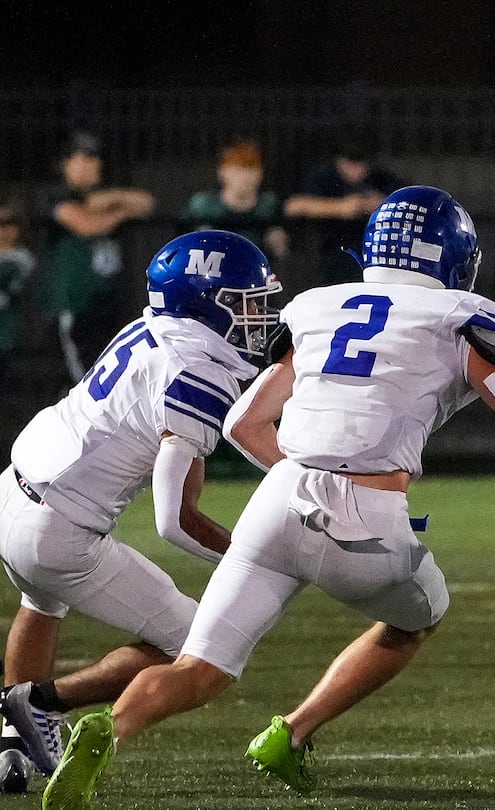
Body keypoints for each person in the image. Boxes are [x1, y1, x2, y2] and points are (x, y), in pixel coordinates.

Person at [43, 185, 495, 809]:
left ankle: (108, 728)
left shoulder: (320, 306)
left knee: (199, 669)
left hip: (278, 500)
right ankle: (294, 731)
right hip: (366, 521)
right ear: (453, 256)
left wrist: (309, 475)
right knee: (418, 617)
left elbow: (242, 425)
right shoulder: (457, 314)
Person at [0, 230, 280, 794]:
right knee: (189, 640)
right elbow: (174, 520)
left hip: (13, 490)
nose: (260, 316)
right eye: (246, 303)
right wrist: (253, 557)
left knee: (41, 602)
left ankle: (9, 743)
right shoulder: (198, 370)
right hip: (61, 530)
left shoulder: (151, 327)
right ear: (204, 302)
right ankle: (40, 703)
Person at [34, 132, 156, 383]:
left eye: (96, 158)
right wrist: (119, 213)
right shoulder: (53, 195)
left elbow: (146, 203)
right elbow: (88, 225)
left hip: (108, 306)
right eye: (86, 158)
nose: (95, 164)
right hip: (74, 307)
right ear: (66, 163)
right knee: (85, 384)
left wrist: (103, 202)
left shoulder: (102, 195)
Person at [283, 140, 404, 285]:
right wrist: (341, 208)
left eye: (360, 164)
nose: (355, 170)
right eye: (349, 164)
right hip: (326, 258)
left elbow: (404, 204)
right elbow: (294, 206)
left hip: (370, 260)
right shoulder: (324, 176)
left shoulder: (381, 177)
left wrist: (377, 205)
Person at [182, 140, 288, 263]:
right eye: (238, 170)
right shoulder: (203, 205)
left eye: (252, 170)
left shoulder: (269, 205)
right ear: (222, 172)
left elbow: (284, 254)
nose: (246, 177)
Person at [0, 201, 36, 396]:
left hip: (12, 338)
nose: (6, 229)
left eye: (11, 223)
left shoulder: (22, 259)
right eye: (1, 224)